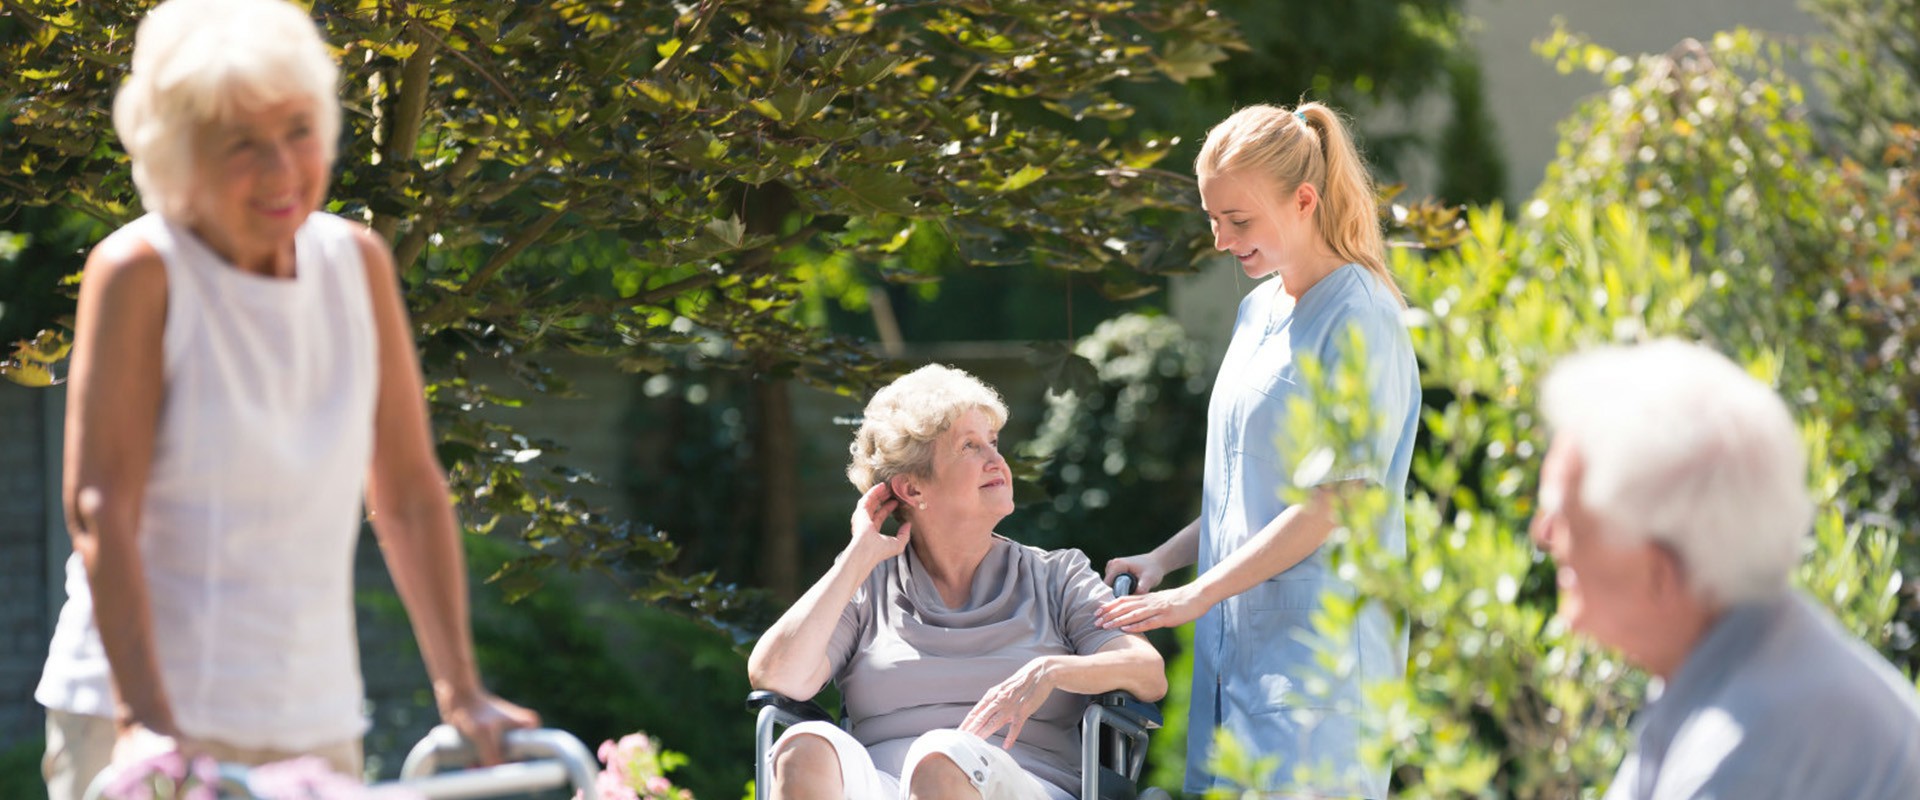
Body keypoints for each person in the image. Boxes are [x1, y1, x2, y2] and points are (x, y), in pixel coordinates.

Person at [34, 1, 538, 797]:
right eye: (242, 144)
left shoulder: (356, 263)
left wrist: (462, 692)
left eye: (298, 131)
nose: (281, 170)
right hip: (144, 714)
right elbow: (101, 506)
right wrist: (146, 725)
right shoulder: (142, 272)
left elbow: (406, 491)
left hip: (313, 716)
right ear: (180, 155)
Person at [1094, 102, 1419, 798]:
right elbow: (1249, 488)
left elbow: (1339, 500)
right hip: (1232, 662)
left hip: (1321, 666)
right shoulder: (1256, 312)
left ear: (1305, 200)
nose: (1219, 240)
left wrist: (1199, 593)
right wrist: (1167, 560)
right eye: (1213, 219)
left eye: (1237, 221)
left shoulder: (1362, 315)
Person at [747, 365, 1167, 800]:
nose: (997, 461)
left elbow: (1147, 671)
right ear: (911, 490)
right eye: (970, 446)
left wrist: (1052, 669)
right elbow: (776, 676)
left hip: (1024, 785)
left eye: (994, 443)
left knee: (941, 757)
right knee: (801, 748)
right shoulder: (866, 584)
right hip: (885, 786)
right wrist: (857, 556)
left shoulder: (1057, 576)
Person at [1531, 340, 1920, 799]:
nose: (1543, 535)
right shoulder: (1761, 660)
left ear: (1660, 574)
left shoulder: (1748, 754)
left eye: (1566, 519)